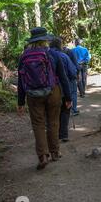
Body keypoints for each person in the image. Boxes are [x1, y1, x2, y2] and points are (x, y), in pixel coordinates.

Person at [17, 27, 72, 170]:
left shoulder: (24, 56)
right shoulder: (54, 55)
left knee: (38, 125)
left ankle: (42, 156)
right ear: (45, 40)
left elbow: (20, 80)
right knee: (53, 122)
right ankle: (55, 152)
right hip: (53, 91)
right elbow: (63, 77)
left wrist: (20, 102)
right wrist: (68, 97)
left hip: (33, 95)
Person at [50, 37, 77, 142]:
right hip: (64, 87)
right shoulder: (64, 56)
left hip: (51, 89)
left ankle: (54, 134)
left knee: (53, 112)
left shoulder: (47, 55)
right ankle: (64, 134)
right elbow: (72, 72)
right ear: (59, 45)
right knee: (65, 110)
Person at [62, 45, 80, 115]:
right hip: (70, 76)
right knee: (73, 92)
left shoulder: (53, 52)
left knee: (64, 93)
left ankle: (64, 110)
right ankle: (73, 110)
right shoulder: (69, 52)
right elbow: (75, 64)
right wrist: (77, 74)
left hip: (60, 78)